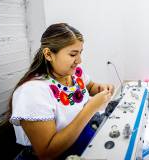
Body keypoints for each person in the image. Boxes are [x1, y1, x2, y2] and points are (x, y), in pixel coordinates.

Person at [8, 23, 114, 159]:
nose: (79, 60)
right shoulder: (32, 92)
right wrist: (91, 108)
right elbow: (47, 153)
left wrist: (102, 88)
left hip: (84, 139)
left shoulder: (72, 73)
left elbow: (91, 86)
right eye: (73, 54)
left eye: (80, 53)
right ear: (48, 54)